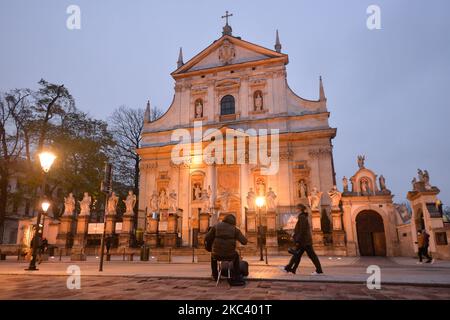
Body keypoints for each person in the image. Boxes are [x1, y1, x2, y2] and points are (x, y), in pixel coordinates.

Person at [205, 214, 248, 286]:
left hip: (217, 255)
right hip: (230, 255)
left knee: (213, 256)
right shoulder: (235, 229)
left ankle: (215, 275)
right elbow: (244, 242)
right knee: (236, 256)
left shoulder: (216, 226)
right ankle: (236, 275)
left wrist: (210, 247)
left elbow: (207, 237)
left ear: (224, 219)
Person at [283, 204, 323, 275]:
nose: (296, 210)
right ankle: (290, 269)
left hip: (304, 241)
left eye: (297, 208)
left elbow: (302, 229)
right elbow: (301, 229)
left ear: (299, 209)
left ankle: (319, 270)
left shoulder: (302, 217)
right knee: (297, 255)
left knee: (311, 256)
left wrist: (298, 239)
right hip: (304, 240)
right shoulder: (303, 216)